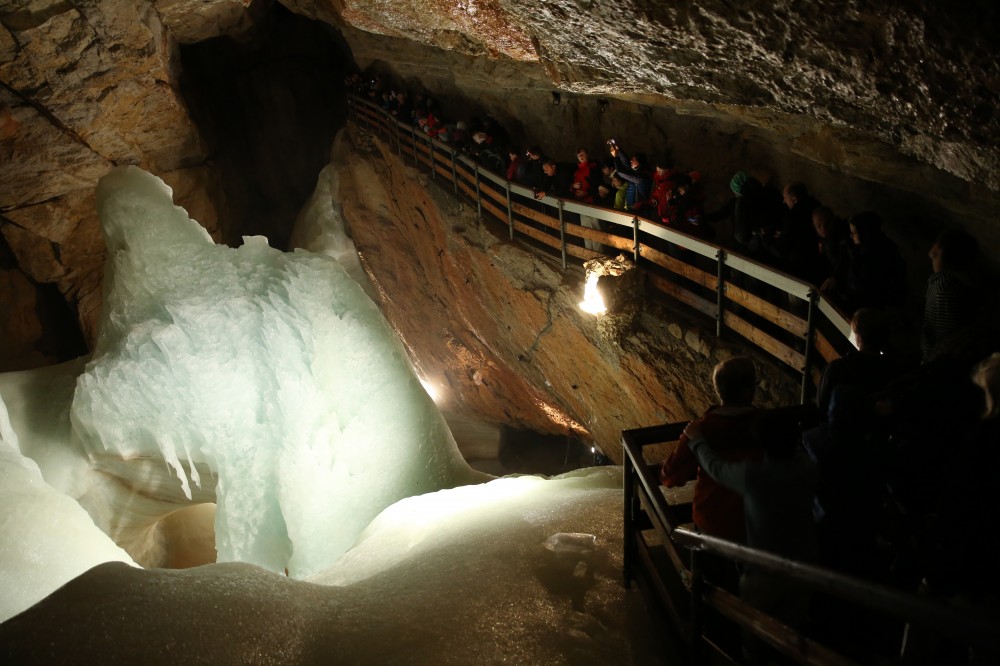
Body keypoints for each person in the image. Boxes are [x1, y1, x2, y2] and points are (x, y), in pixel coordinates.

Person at [660, 357, 761, 545]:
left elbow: (671, 477)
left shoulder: (703, 429)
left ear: (718, 389)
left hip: (714, 521)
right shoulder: (767, 425)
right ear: (749, 389)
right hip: (758, 522)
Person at [920, 229, 981, 362]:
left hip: (939, 360)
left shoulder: (944, 287)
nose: (931, 253)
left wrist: (930, 361)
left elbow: (946, 334)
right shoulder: (962, 281)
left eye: (936, 252)